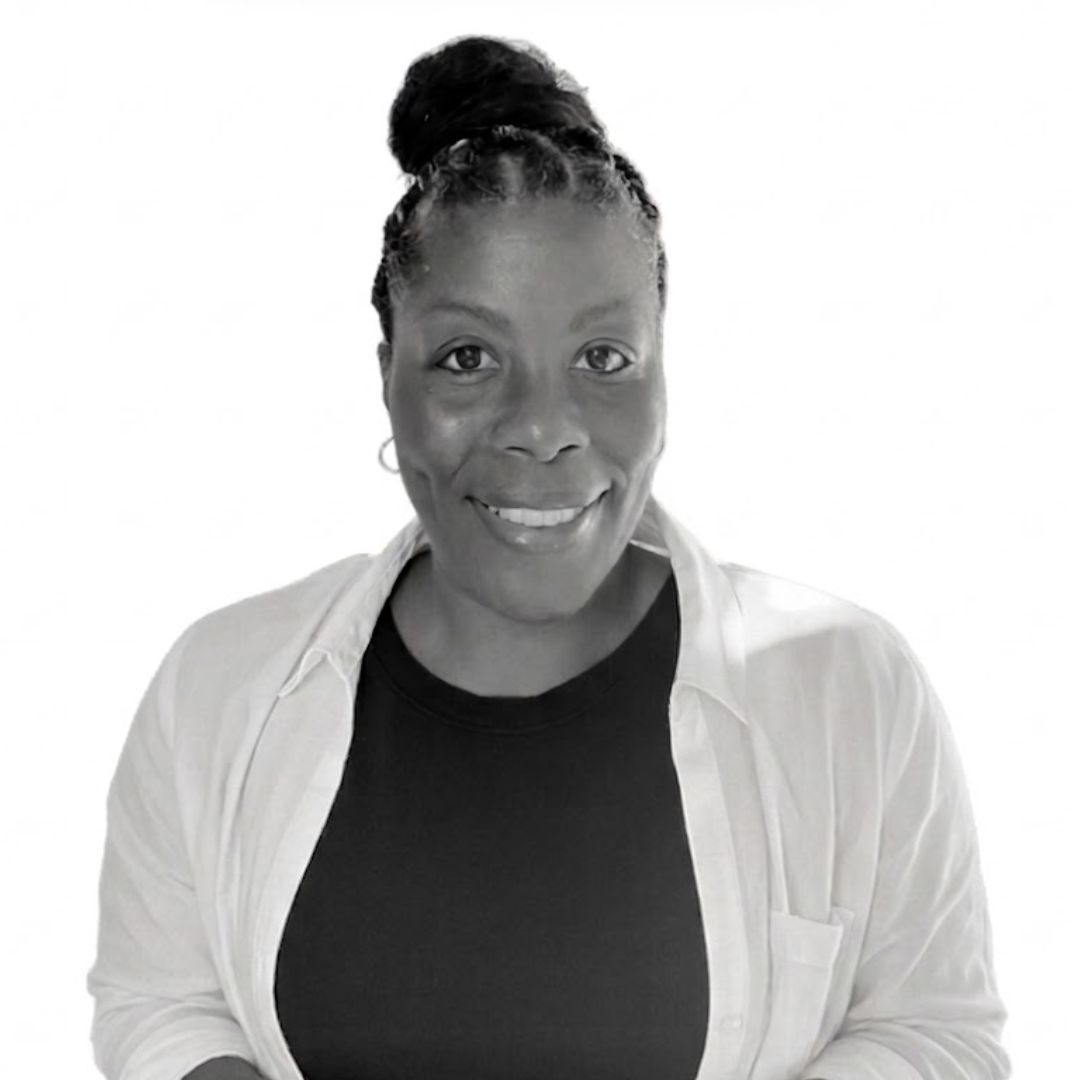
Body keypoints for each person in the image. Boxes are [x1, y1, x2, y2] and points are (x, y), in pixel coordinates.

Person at [86, 34, 1010, 1080]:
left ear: (664, 369)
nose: (542, 429)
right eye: (468, 357)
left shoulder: (846, 684)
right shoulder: (217, 686)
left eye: (603, 358)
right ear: (389, 374)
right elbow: (163, 1002)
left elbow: (934, 1032)